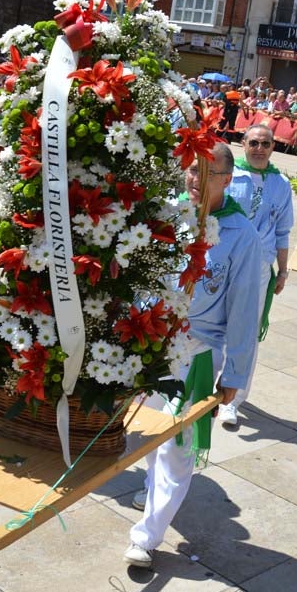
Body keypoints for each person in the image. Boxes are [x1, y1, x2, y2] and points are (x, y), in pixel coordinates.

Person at [124, 141, 262, 568]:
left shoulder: (242, 236)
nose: (195, 181)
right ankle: (152, 490)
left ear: (227, 179)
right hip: (153, 342)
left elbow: (243, 311)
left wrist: (236, 373)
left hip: (199, 352)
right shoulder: (169, 214)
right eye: (191, 171)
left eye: (207, 174)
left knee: (177, 446)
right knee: (147, 431)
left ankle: (146, 537)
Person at [220, 123, 292, 428]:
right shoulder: (228, 176)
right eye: (254, 143)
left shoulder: (281, 183)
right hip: (224, 261)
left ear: (273, 147)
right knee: (215, 325)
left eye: (266, 144)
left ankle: (233, 400)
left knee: (246, 330)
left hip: (259, 268)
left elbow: (283, 230)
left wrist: (283, 269)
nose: (259, 149)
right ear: (243, 143)